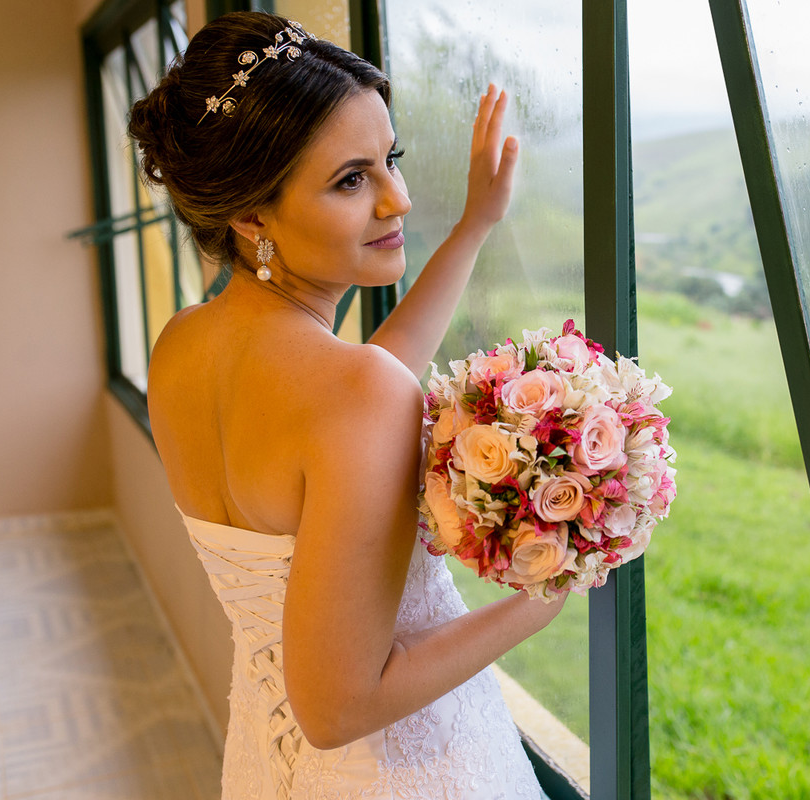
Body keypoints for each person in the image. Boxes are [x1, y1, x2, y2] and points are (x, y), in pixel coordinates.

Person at [131, 11, 564, 799]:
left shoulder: (182, 347)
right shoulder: (354, 395)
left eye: (389, 159)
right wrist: (545, 594)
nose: (398, 200)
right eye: (351, 180)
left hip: (267, 767)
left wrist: (474, 227)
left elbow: (353, 401)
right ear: (252, 217)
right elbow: (336, 709)